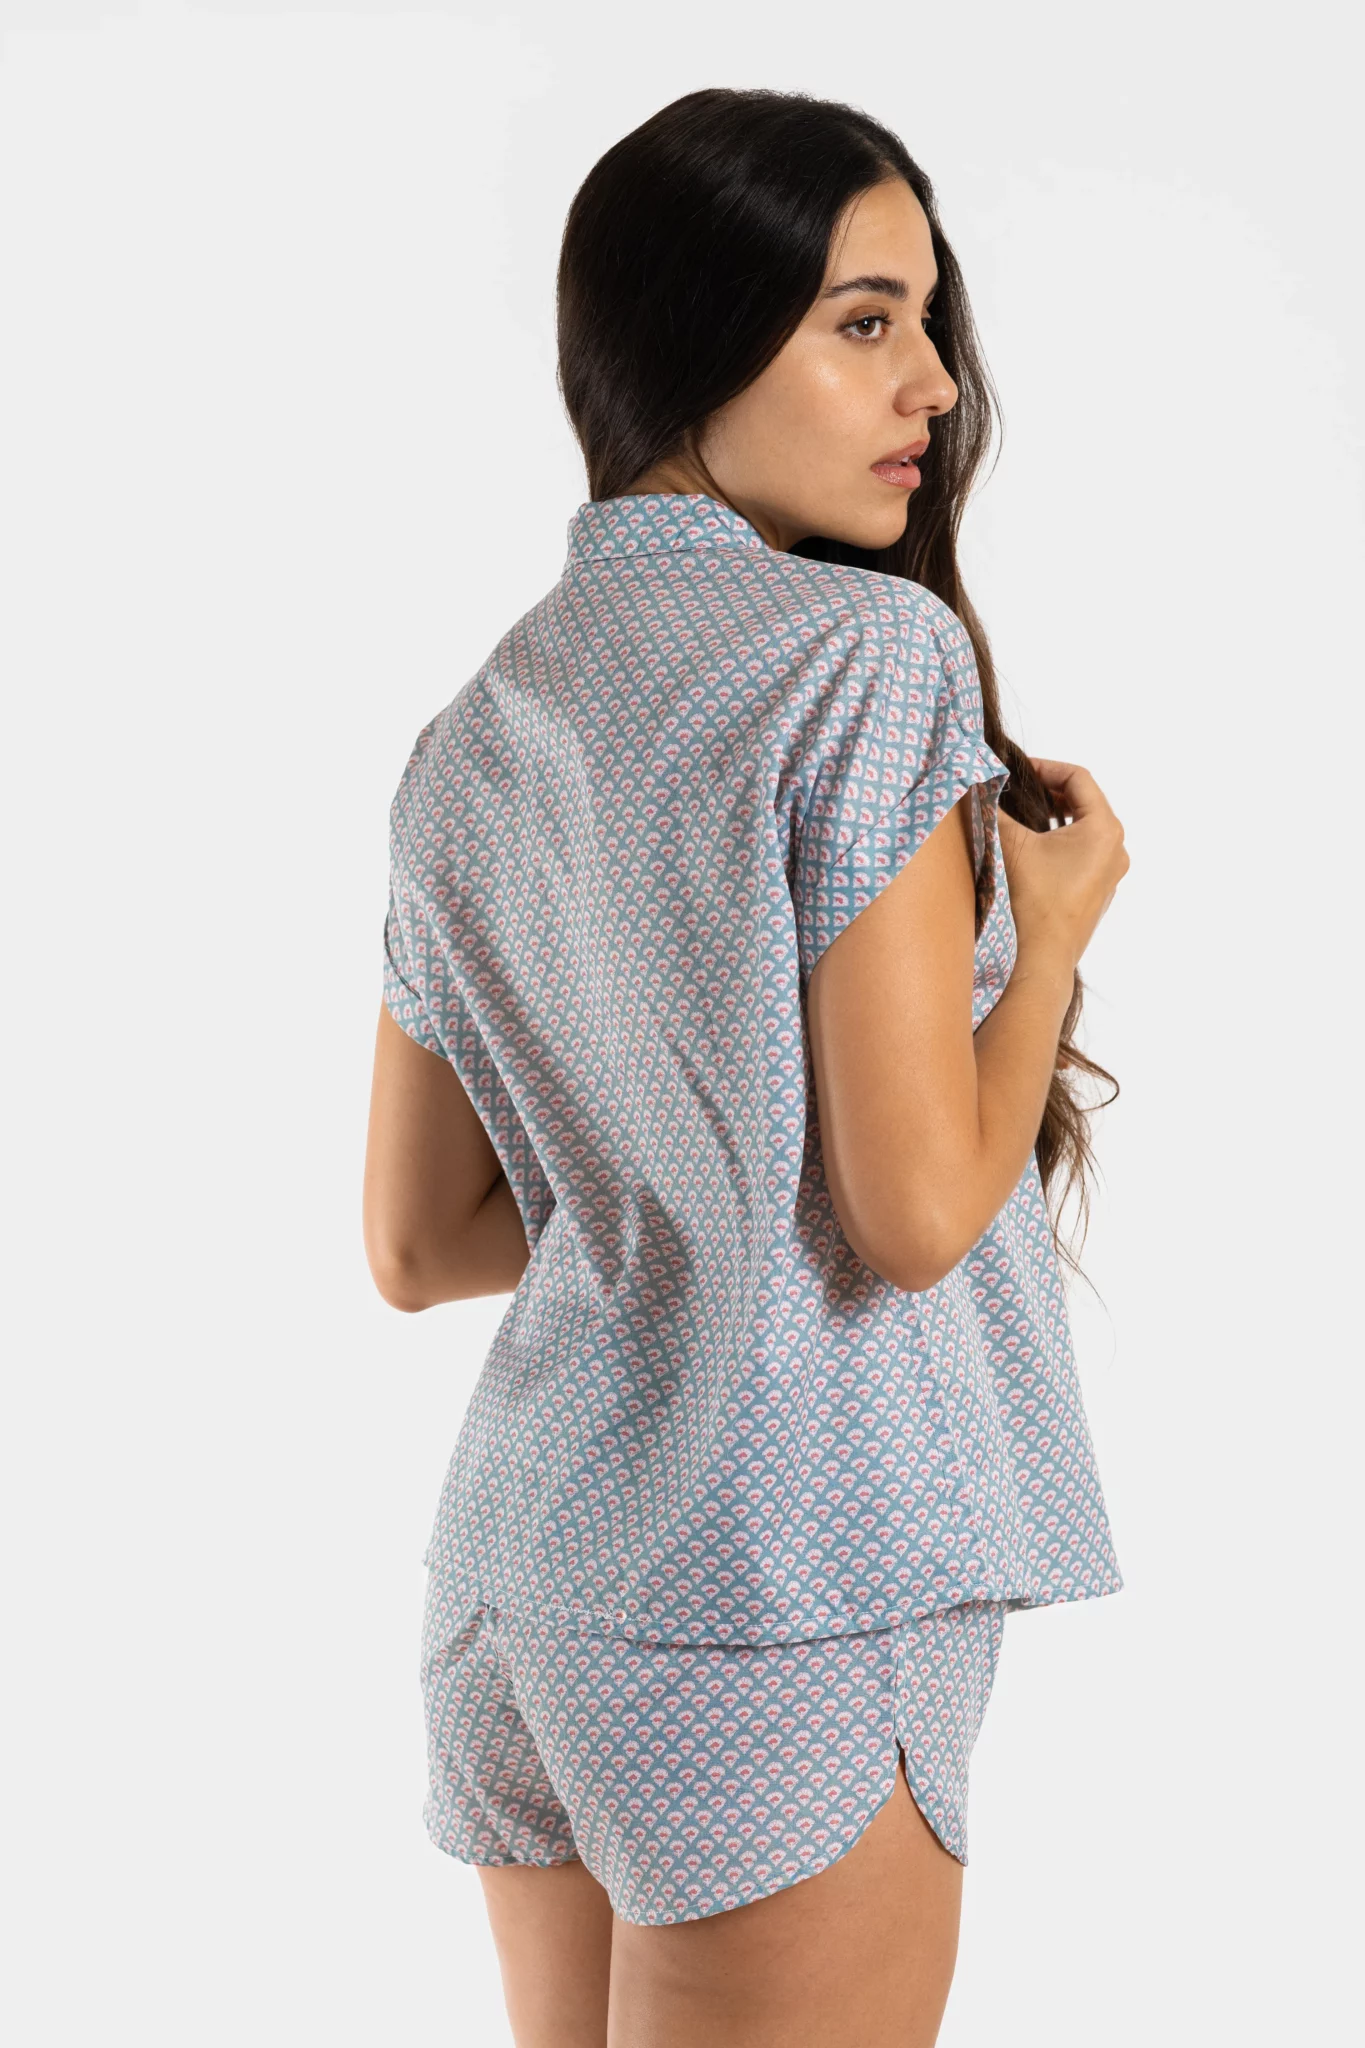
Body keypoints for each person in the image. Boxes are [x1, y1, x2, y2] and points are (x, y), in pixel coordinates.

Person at [363, 86, 1128, 2048]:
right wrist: (1047, 941)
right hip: (780, 1594)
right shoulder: (860, 661)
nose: (932, 384)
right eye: (863, 322)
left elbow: (417, 1240)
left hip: (522, 1586)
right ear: (691, 335)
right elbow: (912, 1211)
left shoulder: (472, 733)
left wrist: (671, 1170)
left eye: (927, 322)